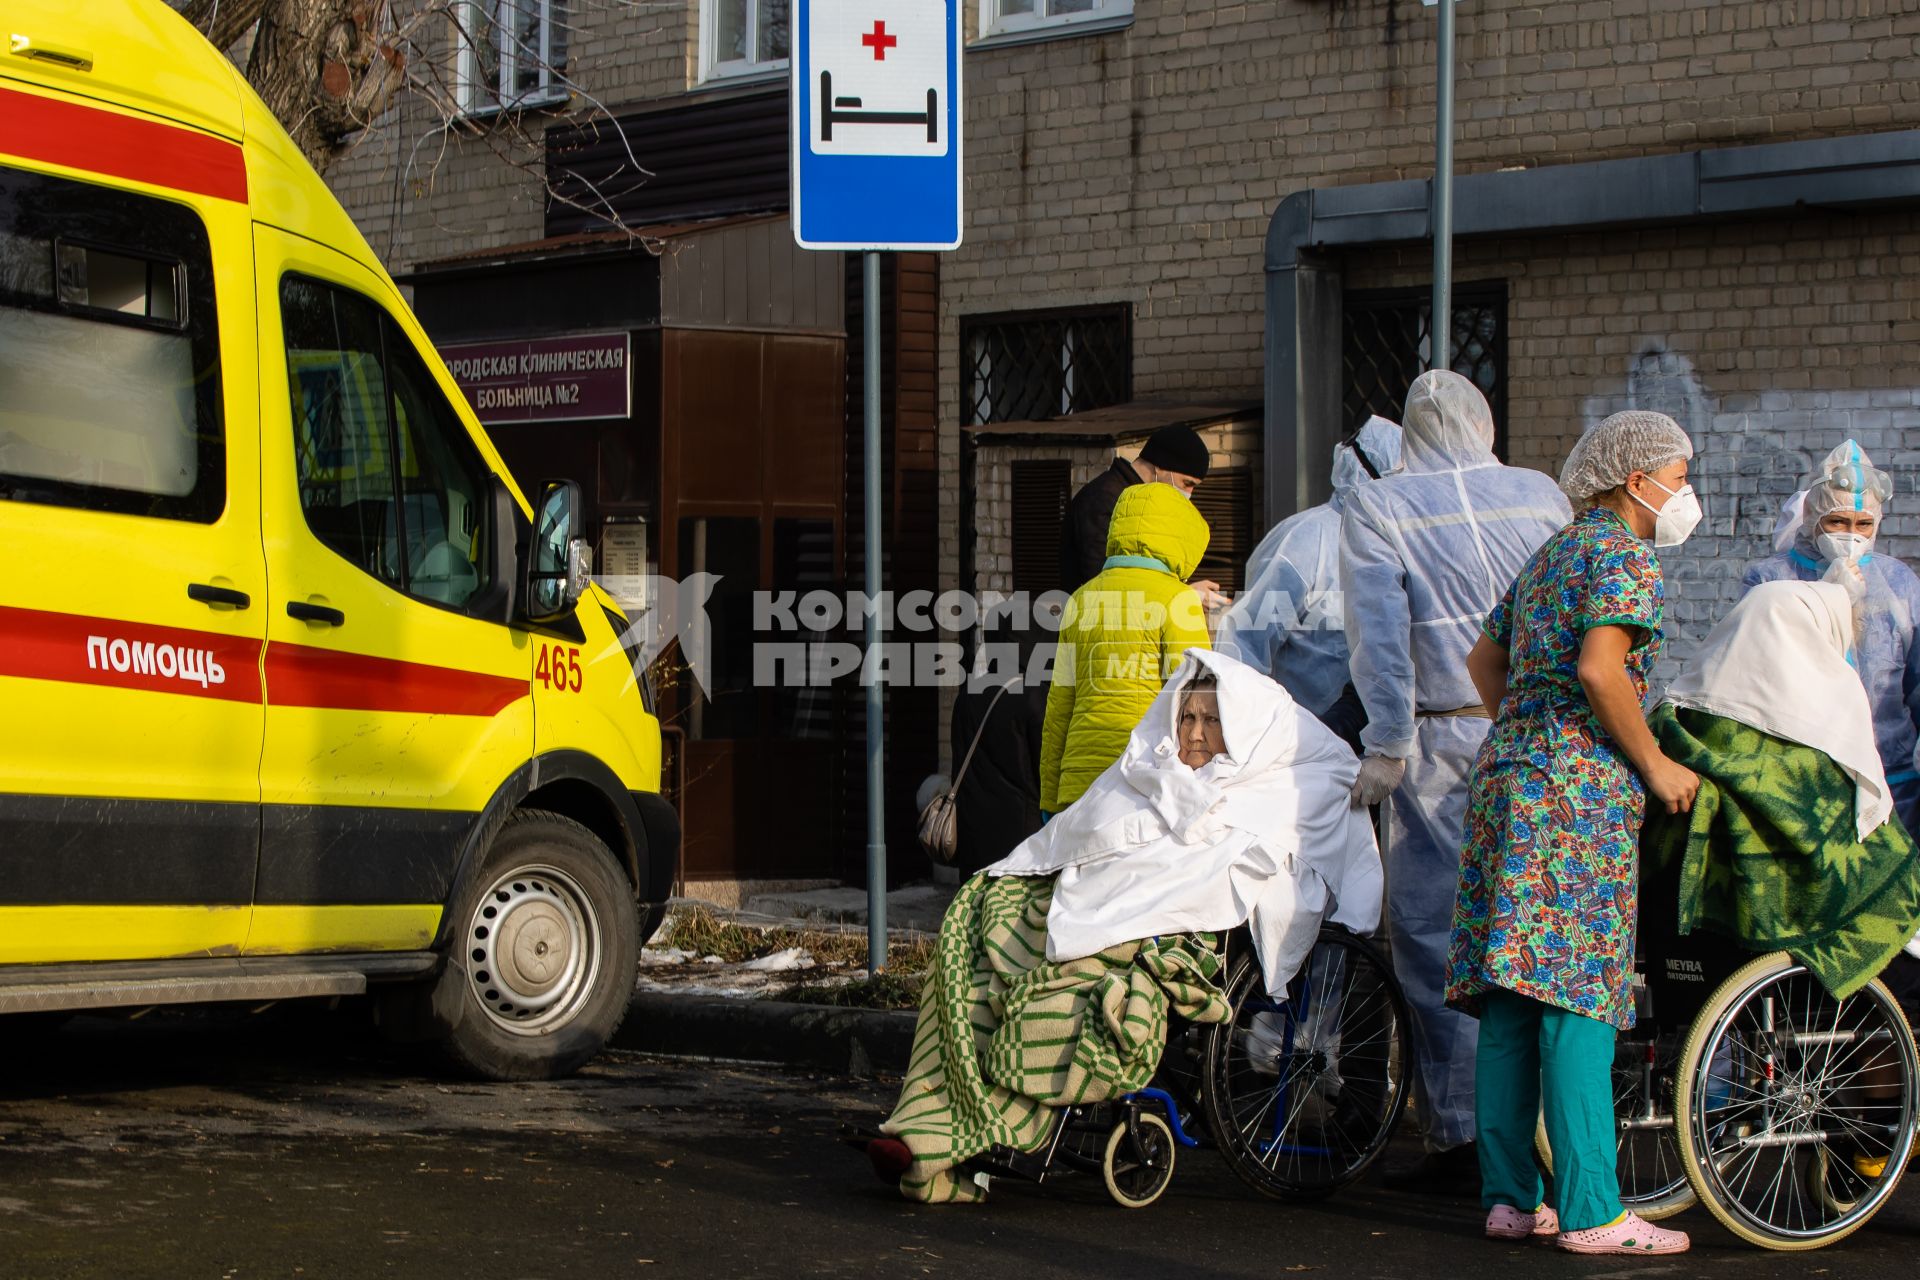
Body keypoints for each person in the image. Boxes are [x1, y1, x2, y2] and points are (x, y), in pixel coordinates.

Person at [1447, 410, 1700, 1255]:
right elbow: (1601, 669)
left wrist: (1527, 724)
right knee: (1579, 994)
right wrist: (1656, 765)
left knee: (1513, 996)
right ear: (1638, 481)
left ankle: (1511, 1200)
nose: (1685, 491)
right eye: (1680, 473)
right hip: (1575, 794)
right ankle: (1594, 1211)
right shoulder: (1623, 554)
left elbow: (1484, 663)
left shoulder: (1553, 552)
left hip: (1509, 779)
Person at [1339, 370, 1573, 1191]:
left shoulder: (1381, 506)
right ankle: (1554, 1129)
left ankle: (1468, 1134)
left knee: (1441, 939)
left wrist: (1389, 741)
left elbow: (1379, 635)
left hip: (1441, 742)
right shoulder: (1540, 495)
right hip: (1542, 735)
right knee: (1539, 932)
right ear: (1486, 421)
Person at [1740, 440, 1920, 835]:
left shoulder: (1898, 583)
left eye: (1863, 524)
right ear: (1812, 517)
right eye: (1837, 522)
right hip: (1806, 769)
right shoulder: (1769, 577)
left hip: (1892, 770)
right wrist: (1823, 597)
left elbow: (1915, 683)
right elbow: (1759, 672)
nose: (1851, 535)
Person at [1040, 482, 1211, 818]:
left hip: (1078, 786)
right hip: (1139, 784)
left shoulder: (1080, 599)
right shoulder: (1178, 600)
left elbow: (1058, 708)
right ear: (1184, 538)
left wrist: (1049, 796)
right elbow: (1196, 702)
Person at [1218, 416, 1404, 721]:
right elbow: (1244, 644)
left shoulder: (1396, 544)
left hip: (1377, 746)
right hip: (1303, 747)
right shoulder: (1304, 541)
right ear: (1369, 477)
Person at [1060, 423, 1220, 598]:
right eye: (1187, 483)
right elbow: (1105, 580)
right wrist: (1182, 595)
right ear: (1160, 466)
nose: (1189, 494)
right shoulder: (1103, 499)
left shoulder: (1142, 501)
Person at [947, 617, 1051, 876]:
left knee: (976, 908)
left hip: (973, 834)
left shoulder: (967, 696)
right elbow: (1045, 770)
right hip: (1021, 838)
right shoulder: (1035, 697)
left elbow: (958, 764)